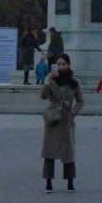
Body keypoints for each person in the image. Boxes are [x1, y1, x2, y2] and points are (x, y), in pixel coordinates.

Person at [40, 53, 84, 194]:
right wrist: (47, 80)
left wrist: (74, 112)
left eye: (63, 64)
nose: (60, 66)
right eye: (58, 64)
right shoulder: (51, 80)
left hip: (66, 119)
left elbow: (80, 101)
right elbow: (43, 96)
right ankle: (48, 182)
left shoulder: (74, 81)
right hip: (53, 118)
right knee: (49, 151)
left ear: (69, 65)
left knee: (68, 152)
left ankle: (70, 181)